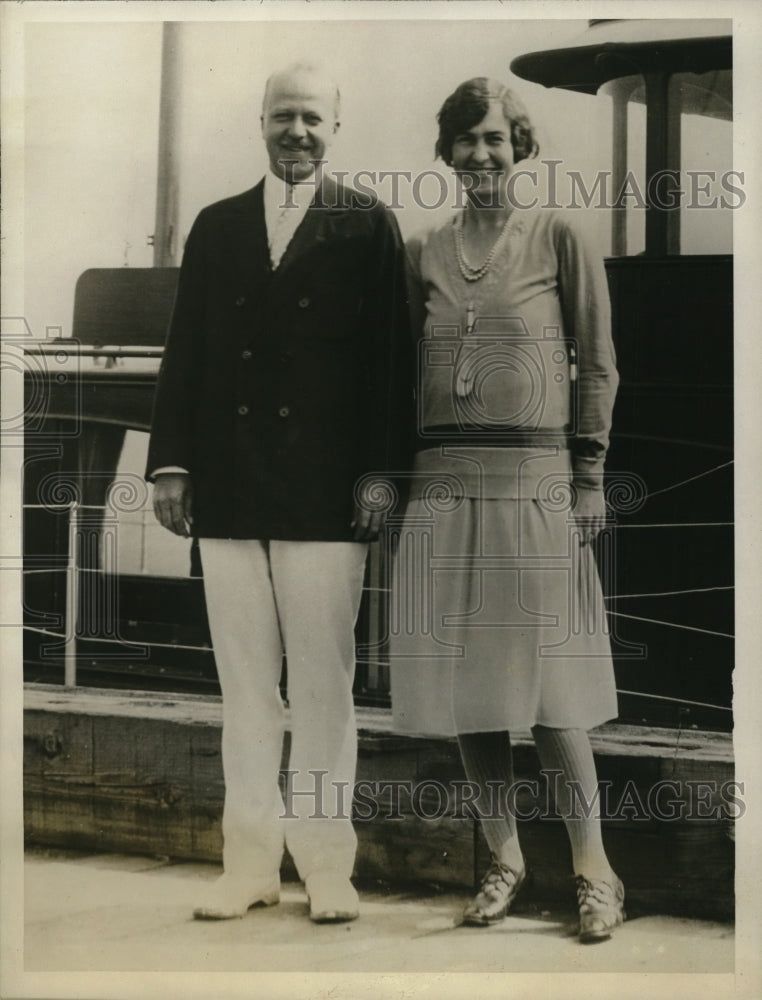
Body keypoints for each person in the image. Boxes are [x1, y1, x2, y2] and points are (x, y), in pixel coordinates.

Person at [147, 62, 411, 924]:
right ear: (260, 121)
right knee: (246, 687)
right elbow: (185, 349)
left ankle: (328, 868)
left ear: (336, 127)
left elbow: (390, 369)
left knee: (326, 690)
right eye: (282, 116)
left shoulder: (368, 225)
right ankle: (250, 865)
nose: (297, 132)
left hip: (326, 494)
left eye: (312, 119)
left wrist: (379, 474)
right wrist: (172, 464)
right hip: (226, 485)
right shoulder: (218, 226)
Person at [389, 78, 624, 943]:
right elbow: (392, 374)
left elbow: (597, 367)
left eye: (496, 139)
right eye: (466, 141)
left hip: (536, 483)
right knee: (468, 689)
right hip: (444, 484)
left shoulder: (561, 236)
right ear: (446, 153)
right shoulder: (420, 251)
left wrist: (590, 476)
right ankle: (503, 857)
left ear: (519, 146)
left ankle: (596, 869)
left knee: (553, 688)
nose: (481, 155)